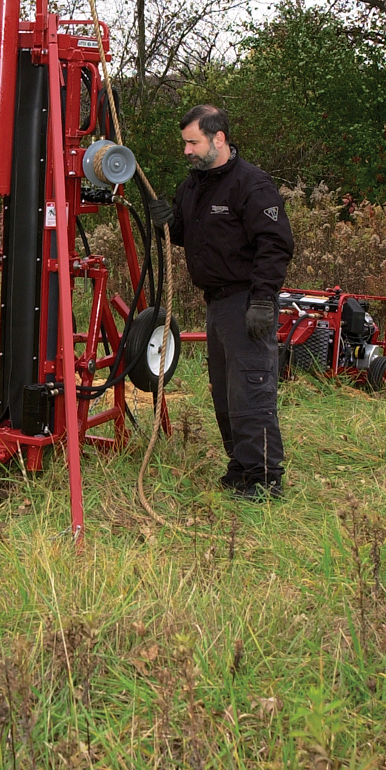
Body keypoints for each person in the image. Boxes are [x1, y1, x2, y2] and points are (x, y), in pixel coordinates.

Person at [149, 106, 294, 499]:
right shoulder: (194, 185)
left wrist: (263, 301)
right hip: (215, 303)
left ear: (219, 139)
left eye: (192, 142)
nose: (187, 151)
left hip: (246, 299)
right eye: (185, 143)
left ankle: (265, 478)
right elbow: (184, 234)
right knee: (226, 391)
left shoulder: (252, 185)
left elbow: (275, 244)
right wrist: (165, 219)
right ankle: (241, 467)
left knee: (251, 387)